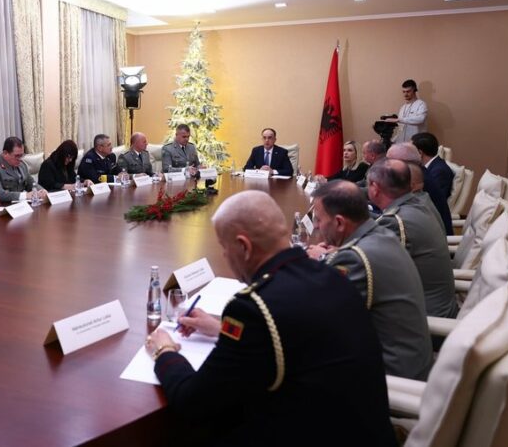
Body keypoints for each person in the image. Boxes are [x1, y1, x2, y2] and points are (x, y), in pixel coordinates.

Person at [145, 190, 396, 446]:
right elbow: (295, 338)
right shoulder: (331, 274)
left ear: (243, 247)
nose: (224, 256)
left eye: (224, 247)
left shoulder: (253, 308)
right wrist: (220, 328)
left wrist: (165, 352)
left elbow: (194, 401)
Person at [306, 180, 432, 380]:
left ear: (339, 223)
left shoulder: (354, 259)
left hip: (389, 373)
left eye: (318, 219)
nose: (316, 226)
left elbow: (321, 318)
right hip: (409, 359)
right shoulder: (382, 234)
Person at [367, 159, 459, 318]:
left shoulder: (397, 222)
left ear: (374, 189)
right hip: (434, 305)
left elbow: (372, 272)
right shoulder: (418, 203)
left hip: (422, 317)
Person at [387, 142, 453, 235]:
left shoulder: (418, 181)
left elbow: (402, 213)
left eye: (389, 162)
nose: (386, 166)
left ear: (404, 163)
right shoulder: (421, 174)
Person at [0, 136, 46, 204]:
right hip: (2, 206)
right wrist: (25, 195)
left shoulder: (22, 165)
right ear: (5, 153)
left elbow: (31, 183)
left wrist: (42, 191)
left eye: (22, 155)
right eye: (17, 156)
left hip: (19, 205)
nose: (20, 159)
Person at [412, 131, 454, 199]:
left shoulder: (440, 171)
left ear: (420, 153)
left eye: (410, 150)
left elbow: (432, 199)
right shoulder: (422, 166)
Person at [388, 79, 427, 143]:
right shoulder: (402, 107)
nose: (405, 94)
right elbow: (400, 129)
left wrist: (399, 120)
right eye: (404, 92)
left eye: (408, 91)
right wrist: (393, 141)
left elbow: (420, 119)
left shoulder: (421, 104)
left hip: (416, 144)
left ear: (414, 90)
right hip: (402, 145)